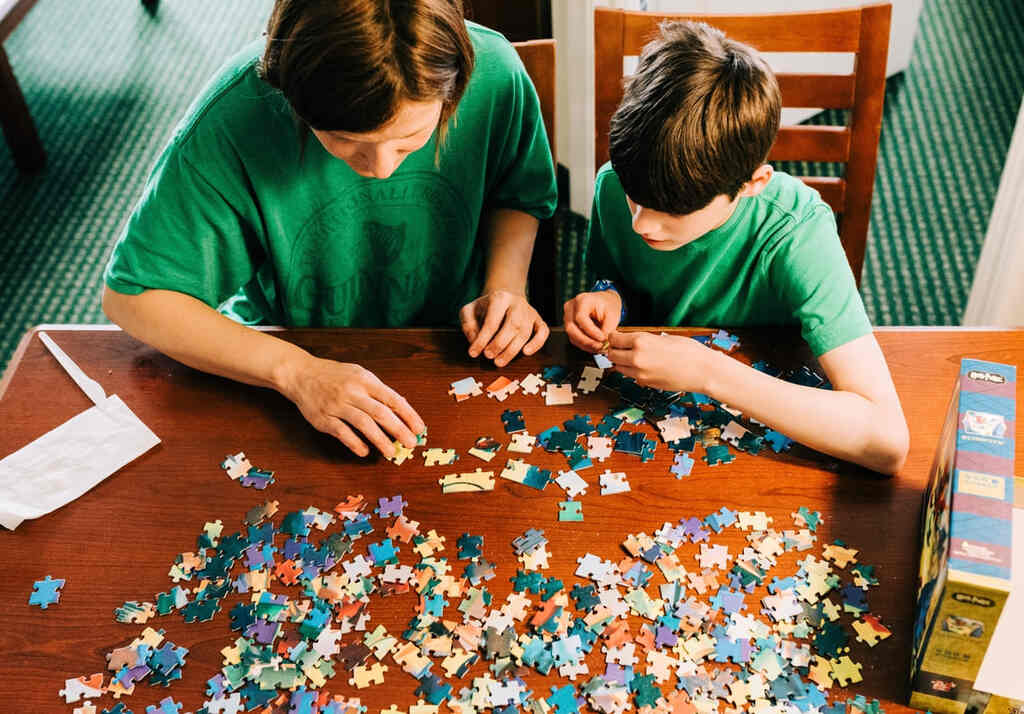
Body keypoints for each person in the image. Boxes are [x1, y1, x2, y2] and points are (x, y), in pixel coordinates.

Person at [102, 0, 557, 459]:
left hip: (453, 343)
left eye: (409, 140)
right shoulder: (232, 117)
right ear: (290, 96)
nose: (380, 169)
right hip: (287, 346)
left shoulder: (496, 73)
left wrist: (507, 286)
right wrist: (296, 372)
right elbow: (134, 298)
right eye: (345, 140)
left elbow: (516, 192)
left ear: (455, 90)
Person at [563, 21, 909, 475]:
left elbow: (887, 441)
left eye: (674, 209)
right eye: (634, 194)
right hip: (651, 429)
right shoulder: (614, 184)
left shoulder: (798, 233)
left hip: (762, 436)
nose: (640, 221)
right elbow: (616, 276)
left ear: (752, 184)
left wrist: (707, 372)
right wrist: (608, 294)